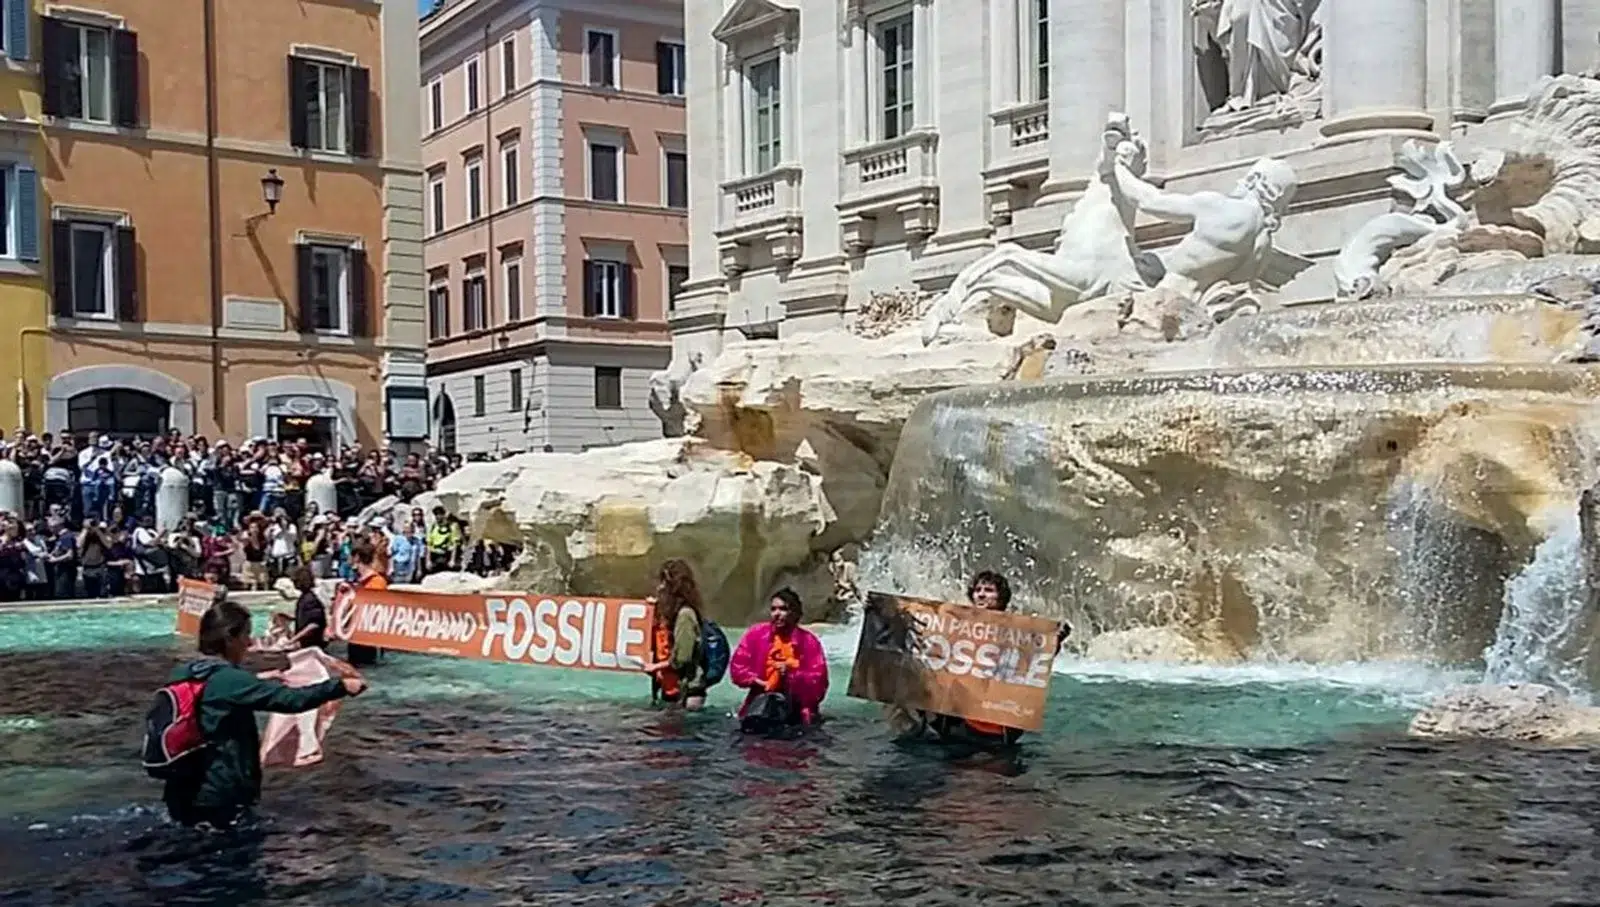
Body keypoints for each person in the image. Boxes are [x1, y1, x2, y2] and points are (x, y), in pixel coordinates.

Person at [161, 599, 365, 828]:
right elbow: (291, 700)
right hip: (221, 796)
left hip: (182, 789)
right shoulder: (231, 680)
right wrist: (340, 686)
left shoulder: (184, 672)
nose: (248, 643)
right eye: (245, 635)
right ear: (229, 638)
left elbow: (213, 696)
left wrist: (256, 680)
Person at [920, 571, 1071, 746]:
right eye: (978, 590)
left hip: (999, 725)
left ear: (1001, 597)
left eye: (989, 590)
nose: (981, 594)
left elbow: (1036, 661)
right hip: (959, 721)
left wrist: (1056, 639)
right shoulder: (957, 625)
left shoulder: (1017, 631)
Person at [728, 588, 828, 733]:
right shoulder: (756, 634)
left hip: (797, 711)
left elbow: (819, 683)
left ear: (795, 613)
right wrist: (758, 681)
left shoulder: (809, 641)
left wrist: (792, 675)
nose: (777, 614)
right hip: (760, 705)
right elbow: (738, 669)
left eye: (783, 609)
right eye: (773, 609)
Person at [642, 558, 707, 711]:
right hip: (673, 690)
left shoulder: (685, 616)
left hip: (687, 693)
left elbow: (682, 658)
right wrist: (653, 609)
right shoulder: (673, 613)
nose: (660, 587)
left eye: (664, 582)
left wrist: (655, 666)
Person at [345, 538, 386, 667]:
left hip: (368, 635)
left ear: (356, 558)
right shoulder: (357, 581)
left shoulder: (376, 582)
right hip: (355, 634)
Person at [284, 566, 327, 650]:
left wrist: (293, 640)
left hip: (312, 646)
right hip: (306, 644)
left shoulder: (310, 600)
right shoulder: (304, 598)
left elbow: (313, 624)